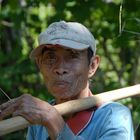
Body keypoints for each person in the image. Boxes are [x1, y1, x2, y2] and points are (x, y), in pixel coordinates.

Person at [0, 21, 134, 140]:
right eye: (50, 58)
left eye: (72, 56)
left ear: (92, 66)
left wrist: (52, 120)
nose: (60, 68)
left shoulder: (113, 117)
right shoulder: (38, 120)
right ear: (39, 65)